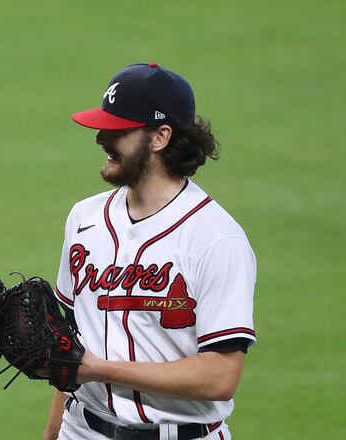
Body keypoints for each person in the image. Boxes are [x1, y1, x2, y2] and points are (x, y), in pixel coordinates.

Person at [43, 63, 256, 440]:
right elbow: (71, 352)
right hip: (81, 431)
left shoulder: (217, 239)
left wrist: (100, 369)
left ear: (160, 137)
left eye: (117, 129)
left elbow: (221, 377)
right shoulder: (84, 218)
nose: (100, 138)